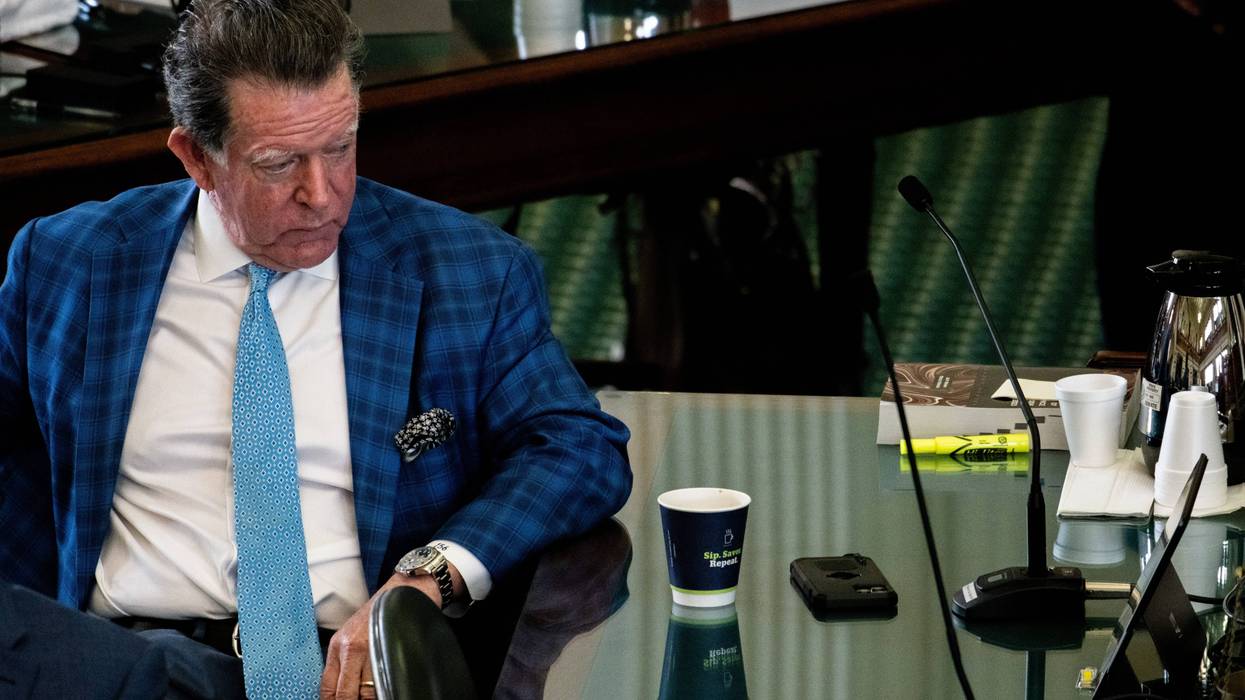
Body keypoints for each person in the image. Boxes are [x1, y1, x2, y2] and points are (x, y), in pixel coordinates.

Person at [0, 0, 632, 696]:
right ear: (196, 158)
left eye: (340, 147)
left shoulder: (467, 269)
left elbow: (577, 446)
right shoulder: (70, 261)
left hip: (344, 671)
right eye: (278, 164)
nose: (323, 194)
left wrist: (426, 576)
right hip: (116, 659)